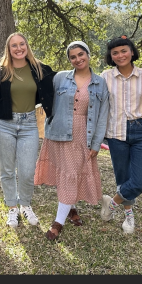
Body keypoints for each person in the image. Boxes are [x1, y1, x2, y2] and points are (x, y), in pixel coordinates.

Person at [34, 40, 109, 241]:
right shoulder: (60, 78)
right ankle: (70, 209)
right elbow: (45, 96)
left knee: (71, 172)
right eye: (73, 57)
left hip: (83, 134)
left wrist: (96, 143)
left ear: (88, 54)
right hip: (58, 132)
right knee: (66, 172)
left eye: (80, 55)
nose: (77, 59)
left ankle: (59, 220)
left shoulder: (100, 83)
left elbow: (102, 115)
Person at [0, 32, 56, 228]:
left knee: (27, 171)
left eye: (22, 44)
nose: (19, 48)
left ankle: (25, 205)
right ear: (8, 50)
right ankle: (12, 208)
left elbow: (58, 83)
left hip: (28, 124)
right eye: (14, 46)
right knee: (7, 170)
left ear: (27, 46)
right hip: (3, 125)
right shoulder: (0, 70)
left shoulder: (39, 69)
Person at [100, 35, 142, 234]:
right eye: (115, 53)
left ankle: (112, 203)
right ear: (110, 56)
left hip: (141, 131)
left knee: (140, 179)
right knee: (122, 176)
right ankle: (128, 214)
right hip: (116, 131)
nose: (120, 55)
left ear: (131, 52)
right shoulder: (105, 77)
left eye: (124, 51)